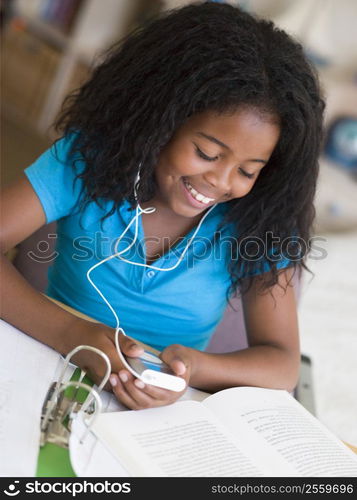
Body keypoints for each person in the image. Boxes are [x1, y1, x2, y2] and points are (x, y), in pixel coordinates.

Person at [0, 2, 324, 410]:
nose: (222, 182)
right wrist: (70, 333)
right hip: (48, 361)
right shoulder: (88, 161)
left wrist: (191, 368)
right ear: (160, 121)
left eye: (248, 170)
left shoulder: (259, 220)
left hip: (160, 406)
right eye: (207, 153)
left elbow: (281, 364)